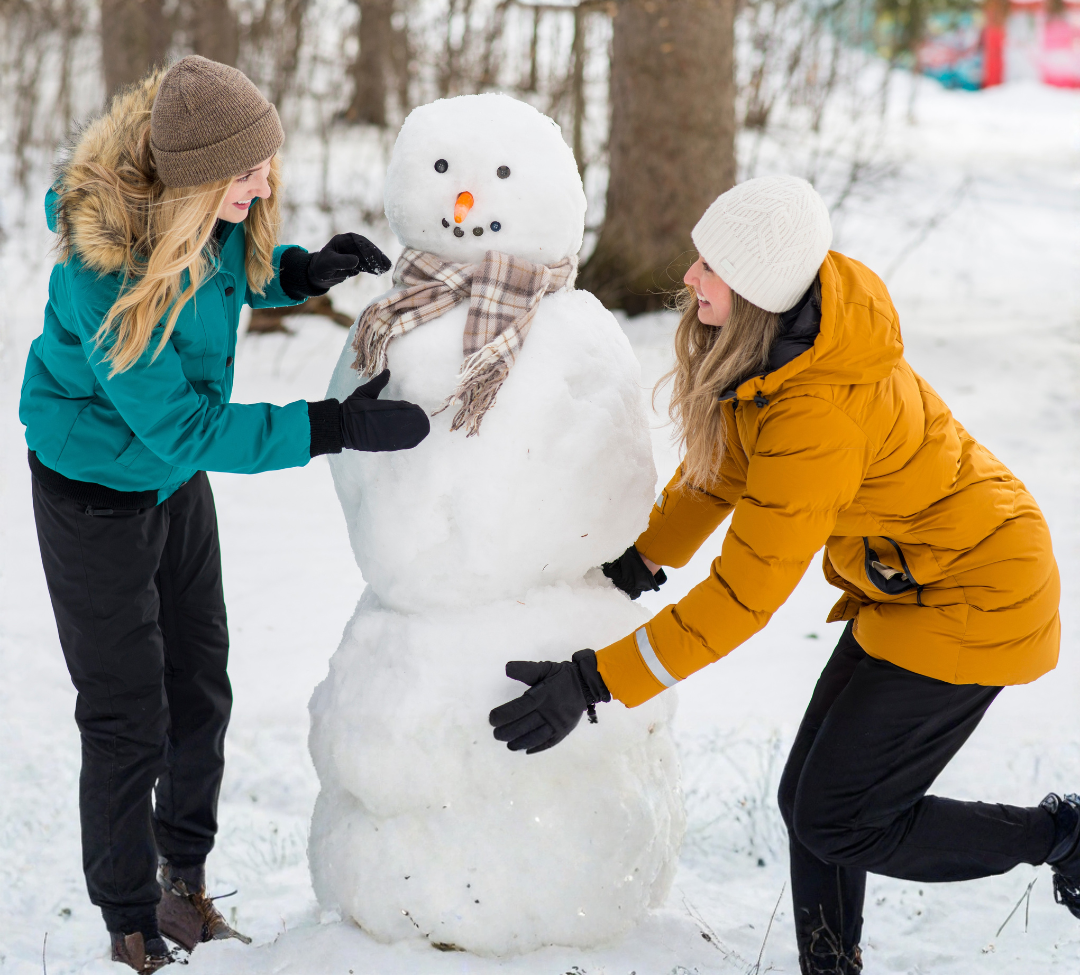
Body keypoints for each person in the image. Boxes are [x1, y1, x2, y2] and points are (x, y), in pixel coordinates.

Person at [489, 175, 1077, 974]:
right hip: (913, 579)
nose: (690, 278)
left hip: (983, 591)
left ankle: (1061, 836)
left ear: (760, 290)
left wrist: (594, 683)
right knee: (812, 805)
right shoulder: (785, 346)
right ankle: (829, 967)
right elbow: (722, 472)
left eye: (710, 269)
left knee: (842, 818)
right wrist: (645, 556)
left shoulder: (818, 415)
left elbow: (744, 595)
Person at [21, 56, 430, 972]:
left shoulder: (199, 211)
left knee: (200, 683)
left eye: (266, 163)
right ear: (193, 173)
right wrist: (332, 426)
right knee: (128, 711)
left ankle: (182, 884)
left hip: (167, 484)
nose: (264, 181)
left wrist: (299, 273)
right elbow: (184, 428)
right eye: (246, 171)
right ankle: (129, 923)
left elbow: (226, 272)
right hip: (94, 493)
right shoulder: (104, 270)